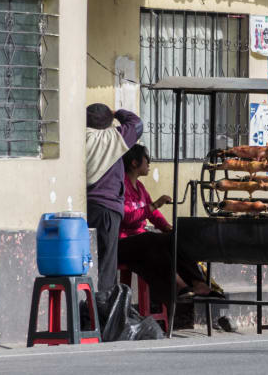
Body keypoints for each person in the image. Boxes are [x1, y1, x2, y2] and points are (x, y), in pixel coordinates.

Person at [118, 144, 223, 306]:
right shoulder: (121, 186)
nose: (149, 163)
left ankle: (197, 282)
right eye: (146, 159)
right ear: (134, 163)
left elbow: (152, 215)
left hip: (143, 240)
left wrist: (168, 229)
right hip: (124, 243)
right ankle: (178, 286)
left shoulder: (139, 187)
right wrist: (155, 205)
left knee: (173, 239)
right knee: (151, 239)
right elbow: (127, 218)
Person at [86, 103, 142, 291]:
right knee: (106, 265)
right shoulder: (113, 137)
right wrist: (117, 112)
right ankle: (102, 310)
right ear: (108, 122)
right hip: (107, 209)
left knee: (87, 262)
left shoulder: (80, 137)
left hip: (84, 207)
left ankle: (87, 309)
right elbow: (137, 124)